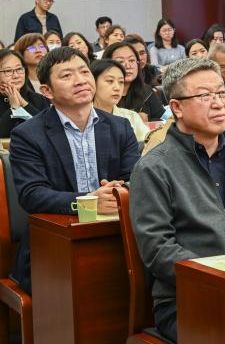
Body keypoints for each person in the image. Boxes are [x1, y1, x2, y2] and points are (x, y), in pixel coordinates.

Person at [130, 57, 225, 343]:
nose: (218, 104)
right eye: (204, 96)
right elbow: (157, 249)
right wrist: (221, 276)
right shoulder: (155, 168)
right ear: (176, 107)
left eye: (221, 93)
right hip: (189, 299)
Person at [9, 47, 139, 293]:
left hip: (116, 236)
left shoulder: (120, 127)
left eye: (84, 72)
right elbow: (32, 194)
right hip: (54, 244)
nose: (80, 80)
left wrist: (118, 193)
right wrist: (89, 201)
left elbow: (135, 179)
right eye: (67, 75)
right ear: (47, 91)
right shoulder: (27, 135)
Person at [90, 59, 149, 141]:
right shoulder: (82, 118)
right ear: (92, 82)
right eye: (110, 81)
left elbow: (149, 144)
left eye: (121, 82)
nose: (117, 88)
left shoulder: (131, 117)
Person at [102, 42, 164, 120]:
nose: (128, 66)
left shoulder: (147, 91)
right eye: (120, 61)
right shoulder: (101, 95)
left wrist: (148, 120)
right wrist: (134, 120)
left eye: (131, 60)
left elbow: (164, 120)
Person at [0, 49, 49, 137]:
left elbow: (48, 127)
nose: (16, 75)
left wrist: (23, 103)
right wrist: (14, 109)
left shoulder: (38, 99)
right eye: (8, 71)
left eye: (19, 69)